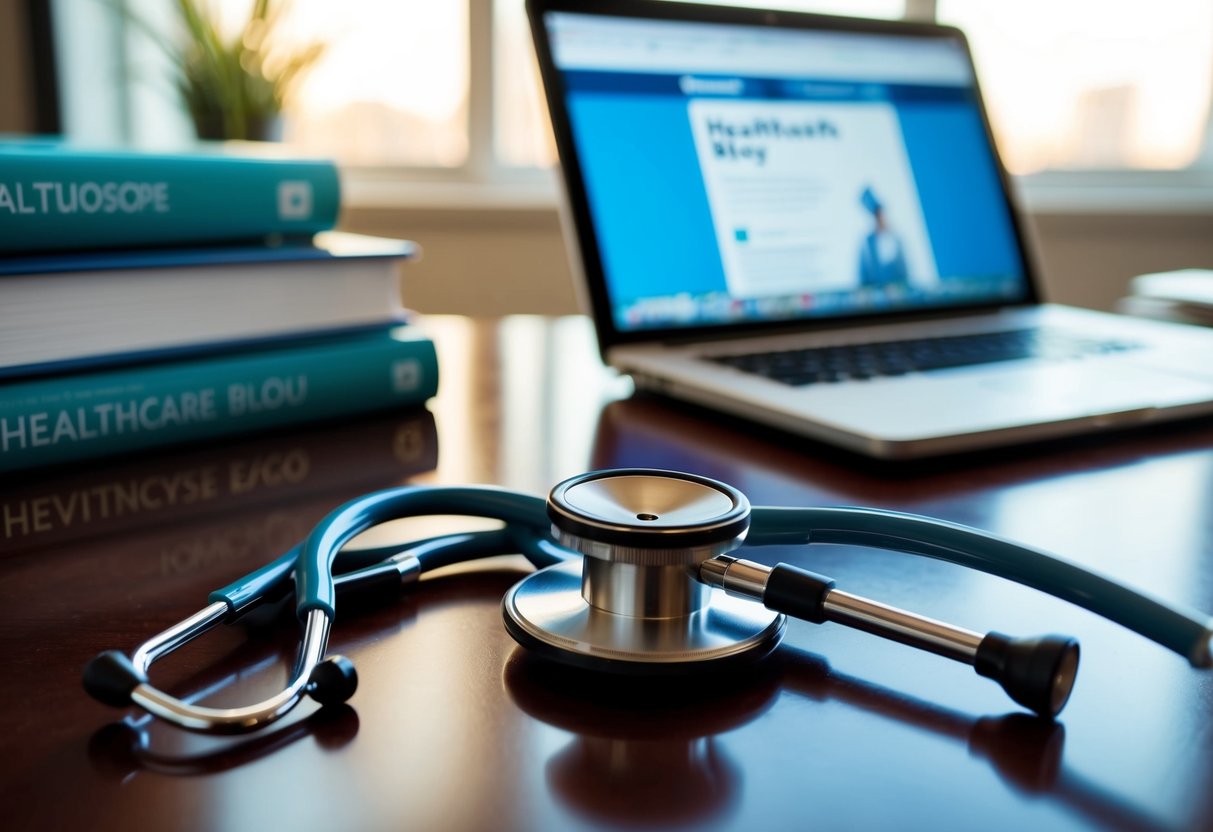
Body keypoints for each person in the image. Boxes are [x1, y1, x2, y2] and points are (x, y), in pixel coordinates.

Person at [858, 186, 910, 288]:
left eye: (881, 215)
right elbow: (863, 275)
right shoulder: (867, 243)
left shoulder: (895, 239)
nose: (881, 219)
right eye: (877, 216)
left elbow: (903, 271)